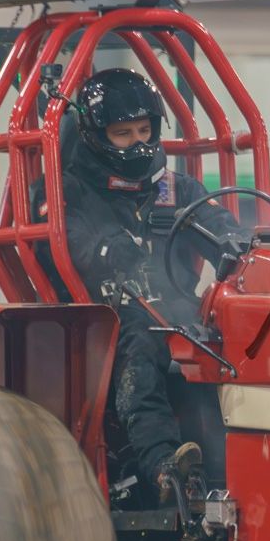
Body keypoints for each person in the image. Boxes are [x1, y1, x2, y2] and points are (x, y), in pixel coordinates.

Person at [51, 67, 241, 504]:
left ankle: (241, 462)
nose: (137, 143)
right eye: (123, 134)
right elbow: (68, 244)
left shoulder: (176, 189)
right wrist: (108, 252)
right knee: (141, 341)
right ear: (96, 136)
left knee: (236, 335)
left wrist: (238, 245)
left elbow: (217, 225)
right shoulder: (70, 192)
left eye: (144, 130)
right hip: (106, 318)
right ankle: (164, 468)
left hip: (180, 312)